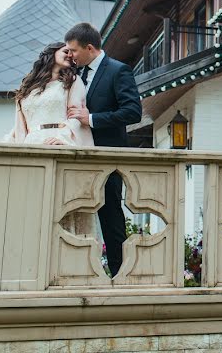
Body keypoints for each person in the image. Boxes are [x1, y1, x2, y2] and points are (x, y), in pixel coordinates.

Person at [65, 22, 141, 277]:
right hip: (78, 154)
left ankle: (119, 273)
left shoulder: (119, 70)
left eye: (74, 50)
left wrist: (93, 119)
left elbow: (133, 112)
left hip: (108, 155)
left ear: (89, 47)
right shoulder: (75, 74)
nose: (70, 55)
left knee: (110, 214)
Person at [4, 42, 93, 147]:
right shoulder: (27, 87)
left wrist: (62, 138)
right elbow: (19, 125)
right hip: (31, 142)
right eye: (65, 52)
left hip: (57, 141)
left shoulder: (72, 81)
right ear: (52, 53)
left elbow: (76, 116)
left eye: (71, 54)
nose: (69, 56)